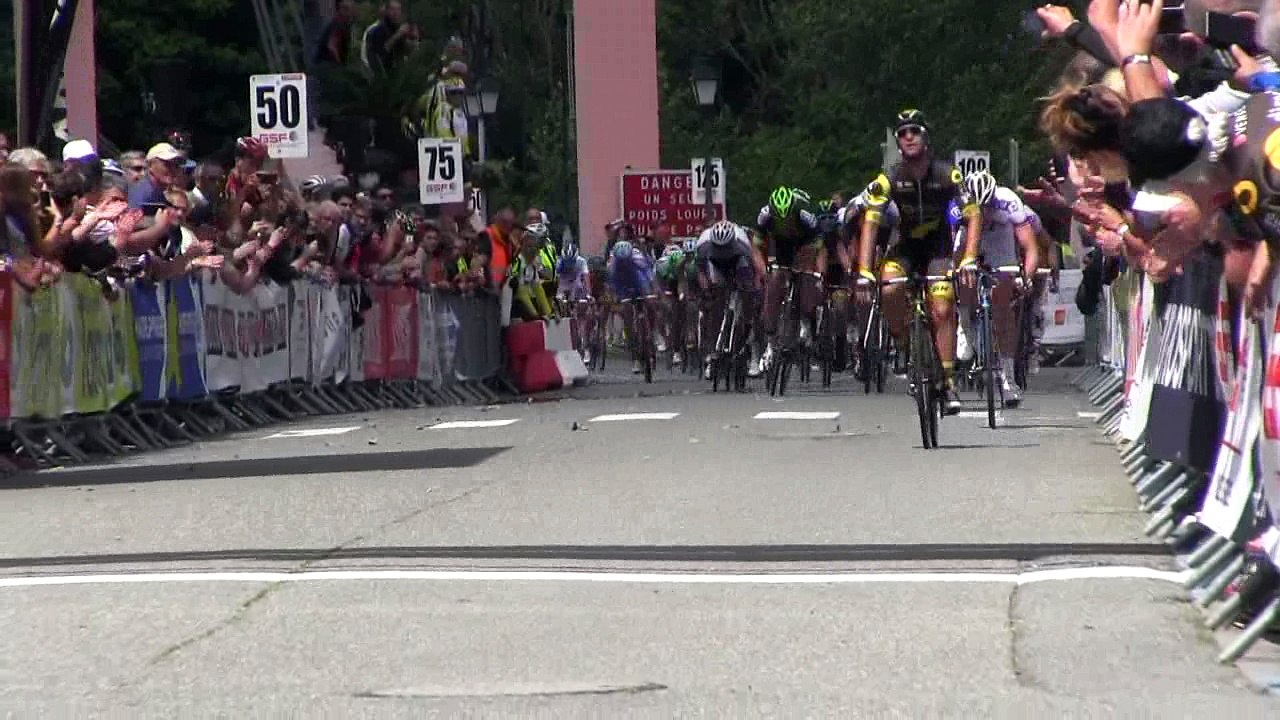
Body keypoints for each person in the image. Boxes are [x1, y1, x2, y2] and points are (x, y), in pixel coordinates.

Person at [858, 109, 981, 415]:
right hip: (904, 248)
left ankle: (948, 382)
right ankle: (903, 343)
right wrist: (863, 271)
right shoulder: (889, 178)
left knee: (942, 306)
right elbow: (870, 224)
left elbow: (974, 214)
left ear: (926, 137)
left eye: (915, 131)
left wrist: (968, 258)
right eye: (902, 133)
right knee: (888, 289)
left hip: (938, 250)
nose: (908, 137)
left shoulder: (948, 174)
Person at [949, 170, 1041, 407]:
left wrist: (1025, 277)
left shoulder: (1008, 200)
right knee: (964, 275)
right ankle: (965, 323)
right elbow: (953, 250)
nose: (985, 212)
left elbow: (1030, 247)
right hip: (968, 237)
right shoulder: (958, 204)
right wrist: (955, 271)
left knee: (1002, 306)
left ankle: (1008, 378)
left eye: (988, 206)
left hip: (1000, 240)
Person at [755, 185, 823, 372]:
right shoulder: (765, 216)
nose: (785, 223)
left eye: (788, 218)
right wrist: (764, 271)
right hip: (781, 246)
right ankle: (770, 344)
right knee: (774, 281)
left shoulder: (806, 216)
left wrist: (815, 272)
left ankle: (806, 323)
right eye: (780, 219)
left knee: (805, 282)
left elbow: (819, 246)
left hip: (805, 244)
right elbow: (756, 247)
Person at [608, 239, 658, 374]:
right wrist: (615, 299)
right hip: (623, 284)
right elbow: (613, 286)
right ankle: (635, 357)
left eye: (626, 260)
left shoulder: (638, 258)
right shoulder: (613, 265)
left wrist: (652, 293)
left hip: (639, 279)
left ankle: (651, 333)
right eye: (621, 261)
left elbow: (649, 277)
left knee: (650, 304)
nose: (624, 262)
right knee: (628, 317)